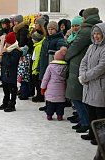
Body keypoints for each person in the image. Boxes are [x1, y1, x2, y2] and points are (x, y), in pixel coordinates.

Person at [65, 7, 102, 135]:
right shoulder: (92, 28)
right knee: (81, 97)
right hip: (81, 66)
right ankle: (83, 121)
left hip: (78, 67)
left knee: (77, 97)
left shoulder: (86, 30)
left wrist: (66, 56)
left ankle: (86, 122)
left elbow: (75, 47)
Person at [79, 22, 105, 145]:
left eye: (98, 33)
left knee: (99, 113)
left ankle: (100, 138)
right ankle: (91, 133)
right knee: (91, 111)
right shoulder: (91, 47)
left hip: (100, 85)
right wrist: (83, 75)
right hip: (89, 84)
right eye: (94, 33)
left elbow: (101, 68)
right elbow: (83, 62)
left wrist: (85, 77)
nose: (96, 36)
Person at [41, 47, 68, 120]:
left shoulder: (50, 66)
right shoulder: (66, 67)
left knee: (50, 104)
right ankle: (60, 115)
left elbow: (45, 78)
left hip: (51, 89)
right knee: (60, 104)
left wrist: (43, 88)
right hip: (61, 89)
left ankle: (49, 115)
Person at [0, 32, 22, 112]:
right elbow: (2, 62)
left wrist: (5, 53)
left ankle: (12, 104)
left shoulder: (15, 51)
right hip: (5, 73)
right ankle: (6, 102)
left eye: (7, 42)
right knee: (5, 89)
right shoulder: (7, 49)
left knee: (12, 89)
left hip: (11, 74)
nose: (6, 44)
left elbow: (9, 63)